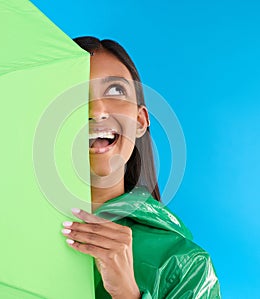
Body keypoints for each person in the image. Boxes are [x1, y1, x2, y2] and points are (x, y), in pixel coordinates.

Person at [61, 36, 221, 299]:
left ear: (140, 121)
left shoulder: (186, 266)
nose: (97, 110)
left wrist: (127, 293)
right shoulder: (0, 233)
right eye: (75, 93)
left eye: (115, 91)